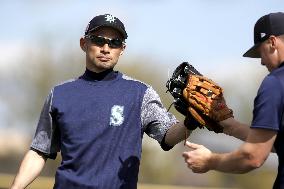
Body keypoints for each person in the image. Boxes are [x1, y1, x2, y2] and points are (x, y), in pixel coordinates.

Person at [10, 14, 190, 189]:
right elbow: (39, 151)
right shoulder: (60, 94)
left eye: (115, 43)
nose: (106, 48)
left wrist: (192, 121)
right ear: (84, 43)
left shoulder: (140, 93)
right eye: (98, 40)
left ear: (122, 49)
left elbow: (168, 135)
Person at [182, 12, 284, 189]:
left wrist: (210, 161)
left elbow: (253, 157)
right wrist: (230, 126)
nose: (261, 62)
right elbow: (276, 144)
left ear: (272, 42)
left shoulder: (276, 83)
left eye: (260, 52)